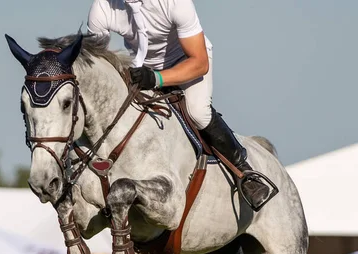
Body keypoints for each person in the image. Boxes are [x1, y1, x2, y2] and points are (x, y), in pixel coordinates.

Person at [86, 0, 272, 210]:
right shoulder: (102, 6)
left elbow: (200, 62)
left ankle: (245, 173)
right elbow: (96, 61)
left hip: (187, 62)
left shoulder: (175, 2)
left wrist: (157, 78)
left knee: (197, 113)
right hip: (141, 67)